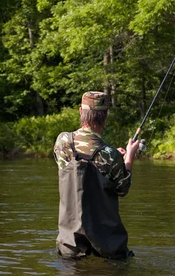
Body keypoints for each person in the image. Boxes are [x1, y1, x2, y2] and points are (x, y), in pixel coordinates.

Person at [54, 91, 140, 259]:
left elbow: (82, 157)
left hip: (70, 245)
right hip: (106, 246)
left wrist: (113, 155)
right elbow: (123, 188)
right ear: (105, 115)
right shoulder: (110, 155)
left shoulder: (62, 141)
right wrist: (128, 157)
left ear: (81, 111)